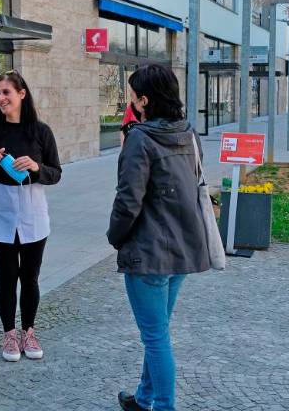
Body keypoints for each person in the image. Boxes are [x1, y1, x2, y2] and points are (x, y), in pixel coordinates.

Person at [107, 64, 210, 411]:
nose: (131, 102)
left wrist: (115, 237)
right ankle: (144, 397)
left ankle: (163, 406)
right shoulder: (189, 133)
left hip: (148, 253)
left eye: (134, 96)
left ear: (145, 100)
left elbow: (127, 200)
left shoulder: (140, 137)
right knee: (158, 333)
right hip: (181, 248)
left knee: (155, 337)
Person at [0, 70, 61, 362]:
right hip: (1, 209)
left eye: (6, 92)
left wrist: (36, 167)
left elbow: (55, 173)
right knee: (7, 277)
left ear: (22, 94)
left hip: (33, 209)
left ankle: (29, 331)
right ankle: (9, 334)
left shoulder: (40, 131)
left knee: (31, 278)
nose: (0, 98)